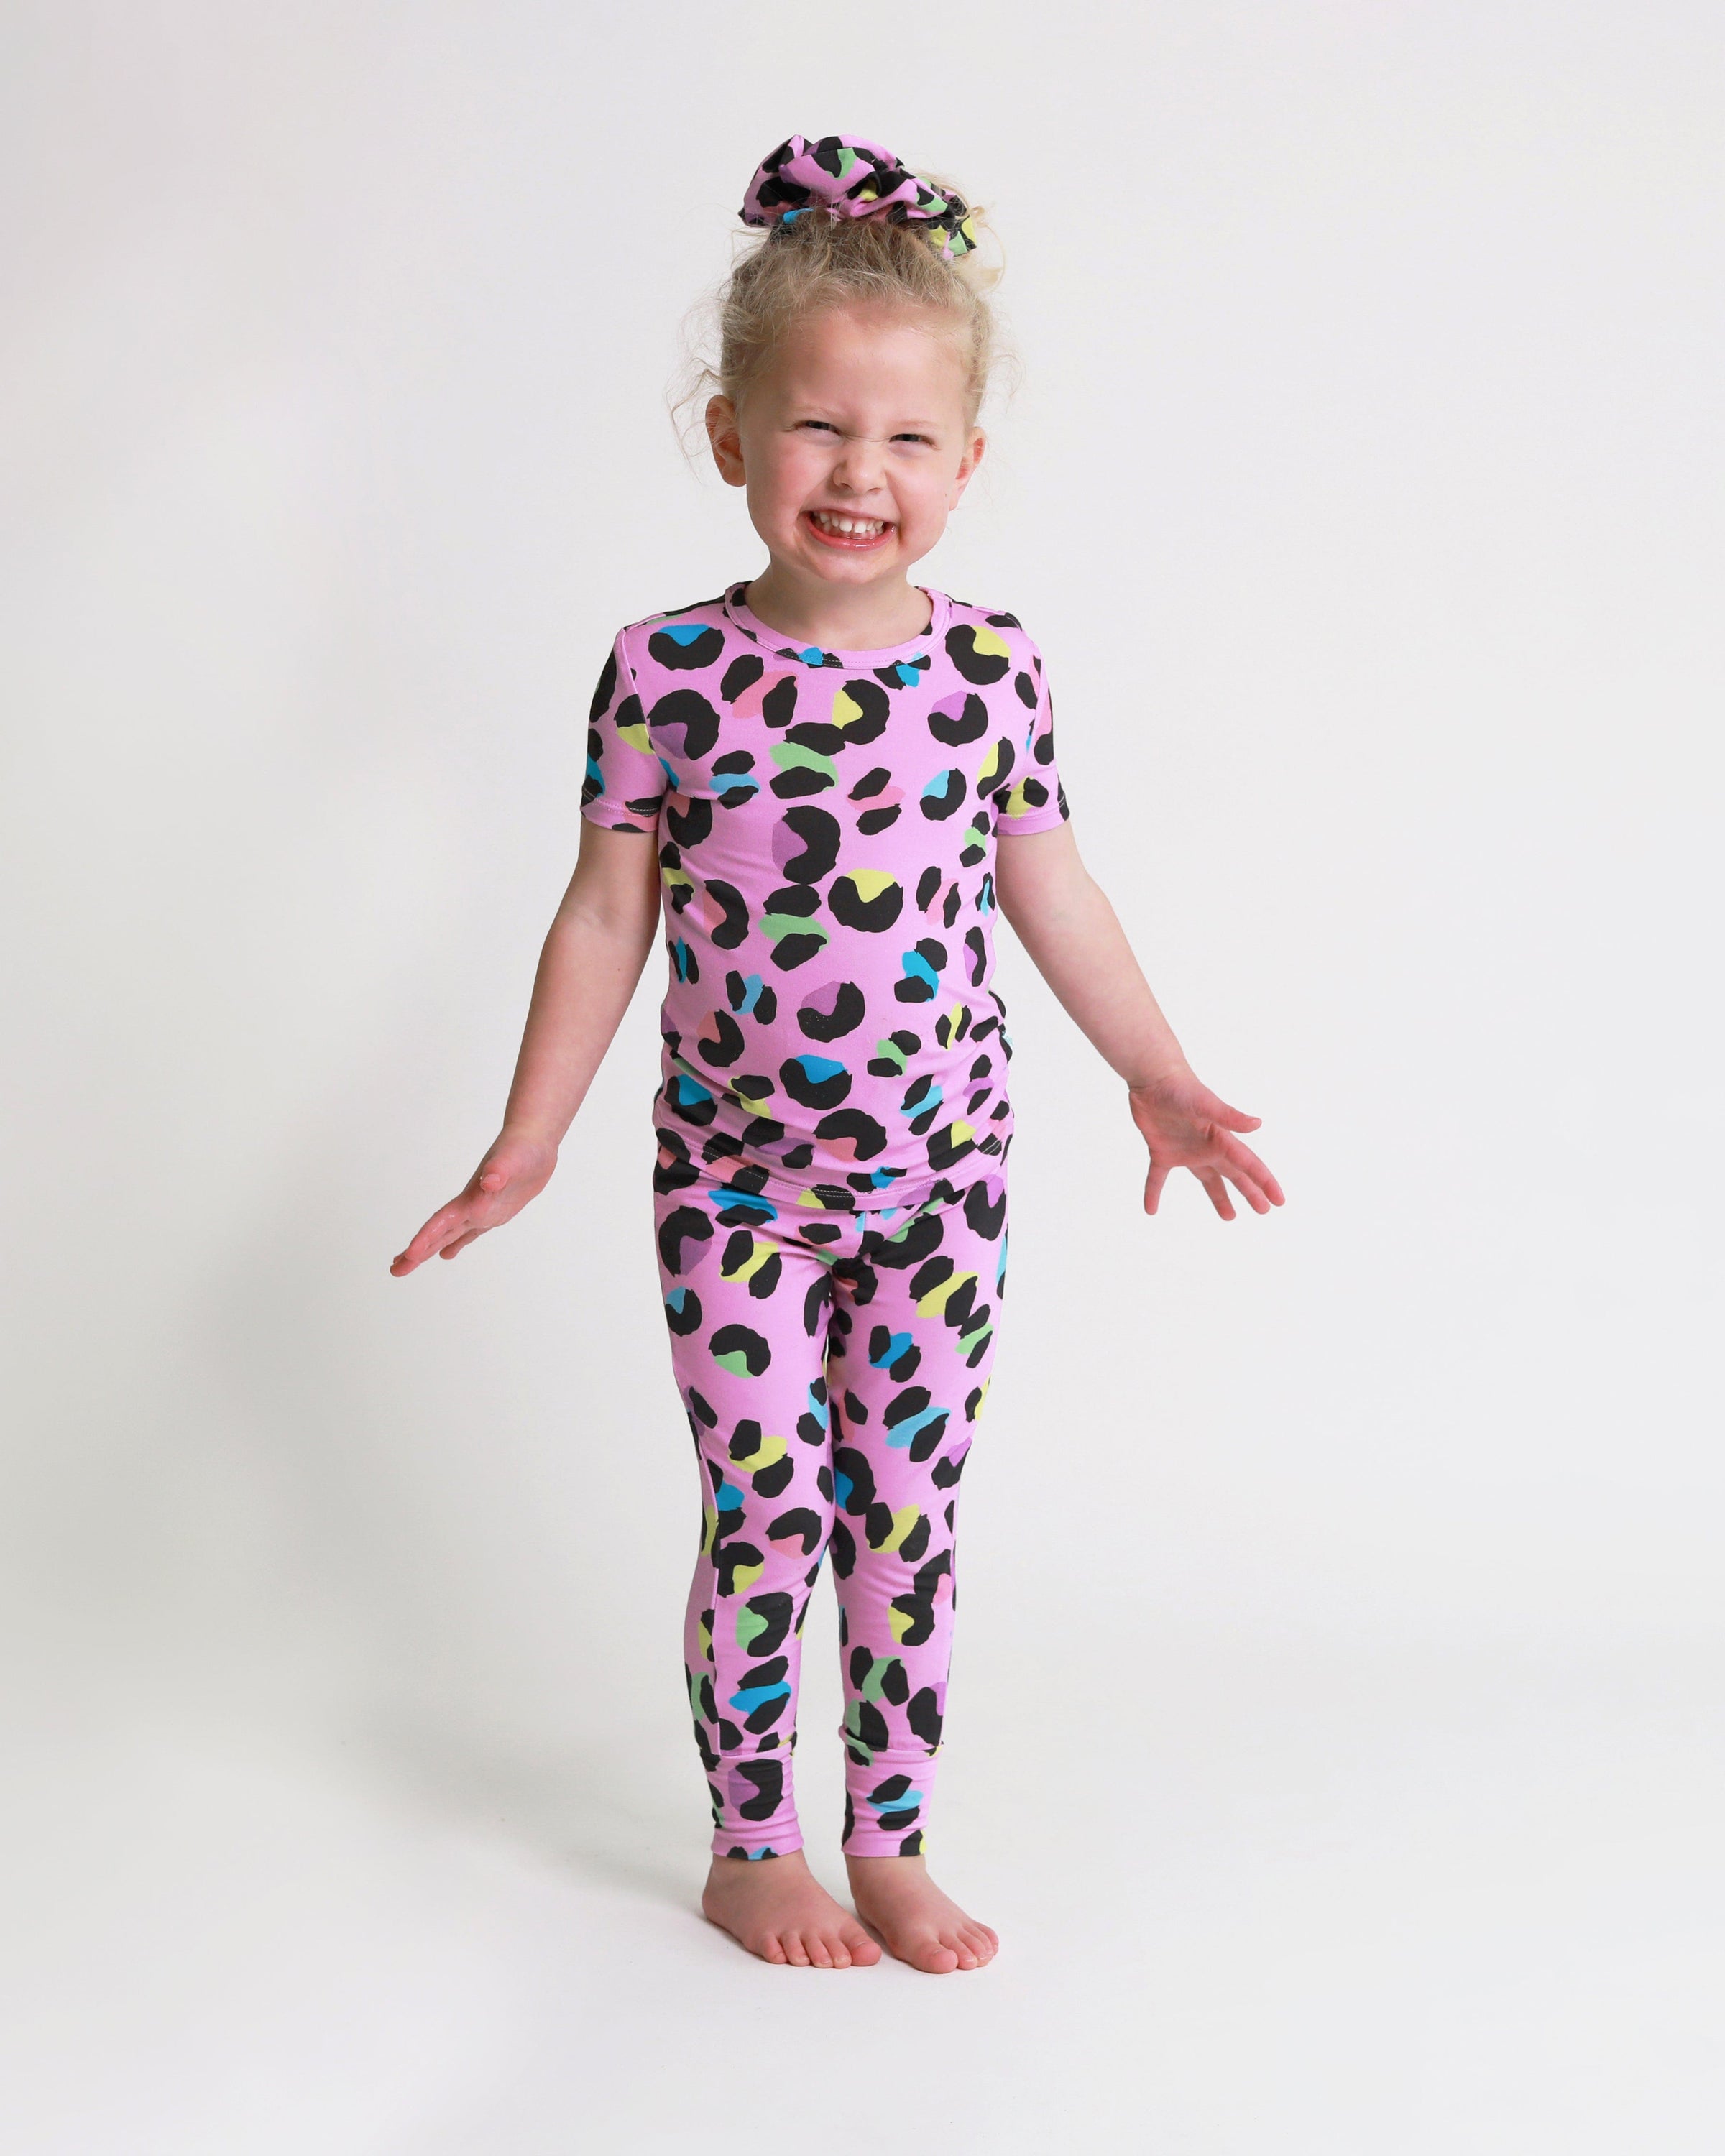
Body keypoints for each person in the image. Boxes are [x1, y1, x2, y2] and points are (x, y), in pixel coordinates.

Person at [390, 132, 1284, 1975]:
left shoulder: (993, 673)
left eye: (905, 439)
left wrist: (1155, 1070)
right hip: (733, 1190)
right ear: (730, 437)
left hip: (941, 1186)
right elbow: (604, 917)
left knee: (908, 1517)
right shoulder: (662, 672)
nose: (860, 472)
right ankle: (751, 1849)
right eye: (816, 429)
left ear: (966, 465)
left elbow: (1052, 887)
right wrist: (527, 1139)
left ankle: (890, 1838)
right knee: (768, 1510)